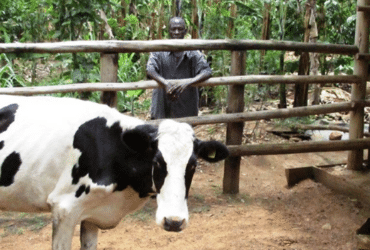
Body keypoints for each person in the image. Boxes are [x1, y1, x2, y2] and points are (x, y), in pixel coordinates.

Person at [146, 16, 212, 119]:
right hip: (162, 105)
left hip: (185, 106)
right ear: (169, 31)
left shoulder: (193, 52)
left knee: (184, 132)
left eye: (180, 29)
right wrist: (165, 83)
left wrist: (188, 82)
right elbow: (150, 70)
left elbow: (207, 71)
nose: (176, 32)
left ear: (185, 31)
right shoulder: (159, 50)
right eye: (173, 29)